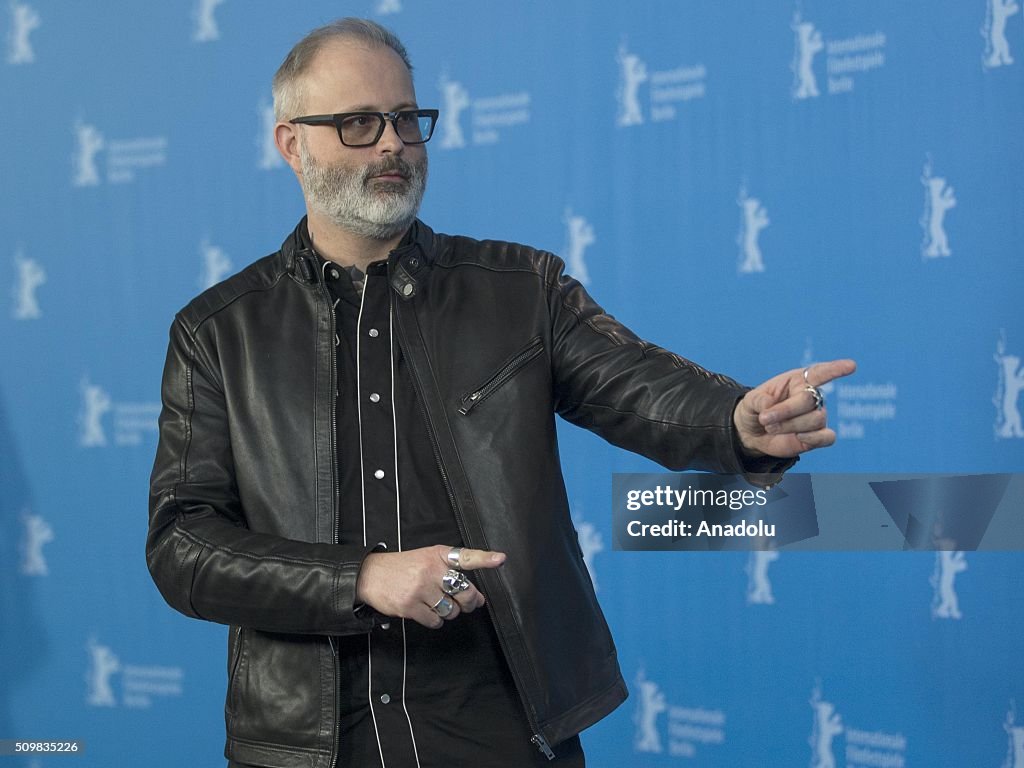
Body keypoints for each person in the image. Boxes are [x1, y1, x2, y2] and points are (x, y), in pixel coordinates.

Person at [146, 17, 856, 768]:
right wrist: (360, 578)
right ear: (292, 144)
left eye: (405, 120)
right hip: (305, 742)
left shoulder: (522, 291)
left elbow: (639, 386)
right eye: (358, 123)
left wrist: (738, 419)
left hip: (503, 729)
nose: (392, 144)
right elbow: (183, 544)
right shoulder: (217, 332)